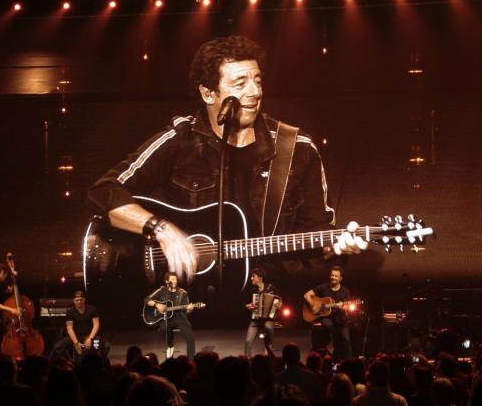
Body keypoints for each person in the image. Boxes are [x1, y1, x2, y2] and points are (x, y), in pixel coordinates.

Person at [86, 35, 367, 285]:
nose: (255, 92)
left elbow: (318, 230)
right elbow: (104, 191)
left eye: (257, 81)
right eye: (240, 83)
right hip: (190, 304)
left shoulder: (298, 149)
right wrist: (160, 229)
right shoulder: (180, 140)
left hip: (270, 301)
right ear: (208, 93)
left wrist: (335, 246)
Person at [304, 265, 353, 360]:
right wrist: (313, 306)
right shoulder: (323, 287)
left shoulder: (345, 291)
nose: (333, 277)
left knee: (346, 340)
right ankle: (331, 351)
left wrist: (342, 307)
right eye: (332, 275)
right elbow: (306, 295)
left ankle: (348, 361)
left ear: (340, 278)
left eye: (336, 276)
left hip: (340, 318)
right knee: (331, 326)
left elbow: (347, 307)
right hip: (326, 318)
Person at [144, 271, 196, 359]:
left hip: (180, 317)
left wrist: (189, 309)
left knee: (190, 339)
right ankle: (170, 346)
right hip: (166, 318)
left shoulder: (183, 293)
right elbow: (146, 299)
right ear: (167, 281)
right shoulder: (162, 290)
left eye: (176, 279)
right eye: (172, 279)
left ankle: (191, 361)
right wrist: (157, 305)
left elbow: (186, 311)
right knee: (163, 327)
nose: (175, 281)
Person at [49, 290, 104, 361]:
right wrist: (76, 343)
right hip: (75, 336)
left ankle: (100, 364)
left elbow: (96, 325)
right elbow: (70, 329)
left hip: (90, 336)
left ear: (84, 299)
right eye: (77, 300)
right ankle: (53, 365)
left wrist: (90, 339)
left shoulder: (92, 309)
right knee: (57, 347)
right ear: (74, 301)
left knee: (100, 347)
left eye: (81, 299)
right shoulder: (70, 312)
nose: (79, 302)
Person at [244, 268, 281, 357]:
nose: (251, 278)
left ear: (260, 277)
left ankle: (269, 346)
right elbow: (247, 304)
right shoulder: (253, 290)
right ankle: (247, 359)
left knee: (268, 327)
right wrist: (248, 306)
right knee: (248, 341)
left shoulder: (271, 288)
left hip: (268, 319)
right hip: (256, 319)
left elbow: (279, 300)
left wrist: (280, 305)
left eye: (253, 276)